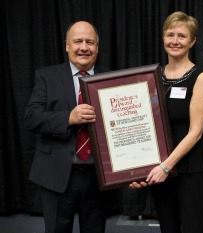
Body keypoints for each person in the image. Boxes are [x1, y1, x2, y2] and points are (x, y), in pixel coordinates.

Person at [129, 11, 203, 233]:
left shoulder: (200, 77)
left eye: (181, 36)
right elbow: (141, 123)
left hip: (190, 166)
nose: (175, 41)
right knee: (168, 228)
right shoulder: (152, 75)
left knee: (193, 228)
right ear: (163, 38)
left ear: (192, 41)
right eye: (170, 35)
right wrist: (136, 168)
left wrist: (166, 166)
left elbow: (196, 133)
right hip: (159, 165)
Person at [25, 21, 109, 233]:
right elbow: (32, 118)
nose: (84, 47)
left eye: (89, 42)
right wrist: (68, 118)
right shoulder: (46, 76)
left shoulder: (111, 80)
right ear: (67, 46)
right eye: (77, 41)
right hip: (56, 175)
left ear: (97, 47)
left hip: (97, 178)